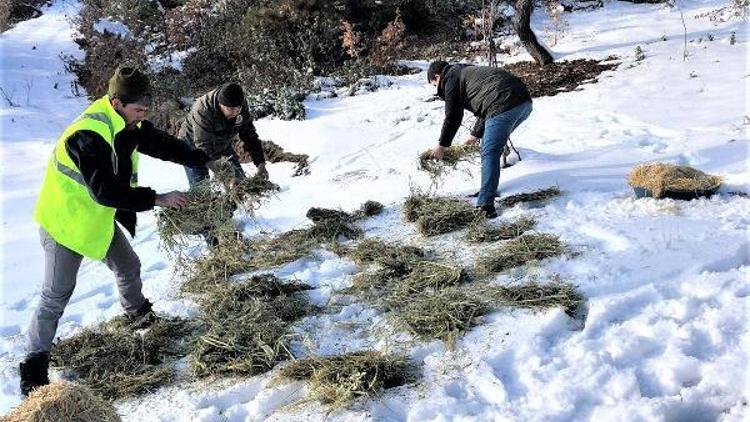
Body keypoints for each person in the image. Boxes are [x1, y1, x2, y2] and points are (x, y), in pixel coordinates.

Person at [20, 66, 214, 396]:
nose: (142, 118)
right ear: (116, 102)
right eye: (138, 110)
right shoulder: (89, 134)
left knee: (128, 265)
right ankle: (33, 368)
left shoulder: (127, 123)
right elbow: (105, 191)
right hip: (64, 224)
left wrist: (199, 158)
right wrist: (158, 198)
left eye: (145, 111)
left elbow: (160, 143)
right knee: (56, 295)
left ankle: (138, 315)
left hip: (95, 219)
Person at [427, 60, 533, 218]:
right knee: (490, 148)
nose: (437, 89)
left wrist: (441, 146)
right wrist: (474, 135)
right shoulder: (465, 71)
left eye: (434, 85)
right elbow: (489, 98)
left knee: (489, 151)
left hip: (505, 103)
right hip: (523, 103)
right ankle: (487, 190)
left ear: (437, 76)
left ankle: (486, 205)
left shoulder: (450, 78)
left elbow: (453, 116)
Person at [179, 83, 268, 188]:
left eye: (237, 109)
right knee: (201, 188)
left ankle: (234, 202)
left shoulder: (240, 105)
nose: (235, 113)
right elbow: (203, 147)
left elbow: (250, 136)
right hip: (193, 146)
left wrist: (261, 164)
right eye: (230, 109)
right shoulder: (202, 109)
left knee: (240, 185)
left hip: (222, 142)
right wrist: (227, 177)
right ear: (221, 105)